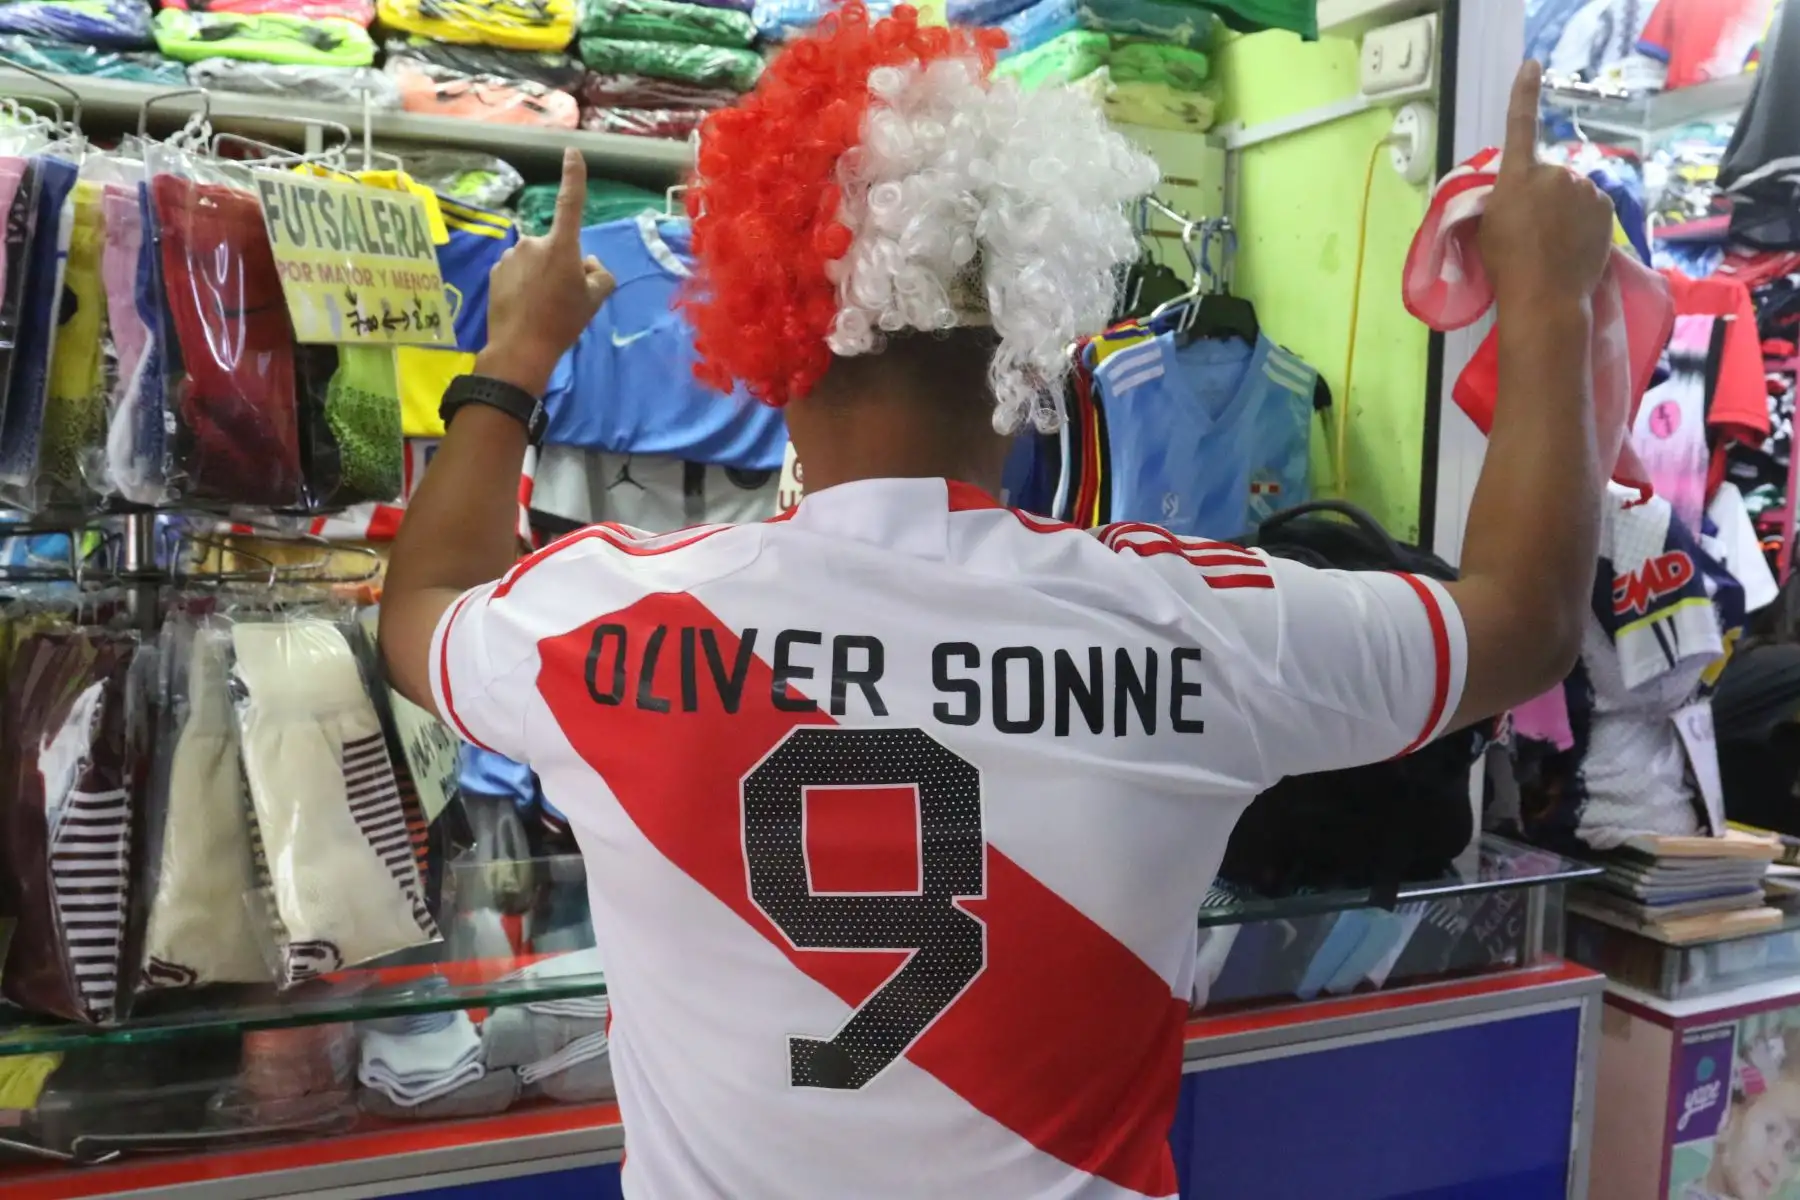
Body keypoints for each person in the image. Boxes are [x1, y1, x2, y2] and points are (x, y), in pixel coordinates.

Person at [378, 3, 1617, 1193]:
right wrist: (1549, 298)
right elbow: (1523, 619)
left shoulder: (597, 626)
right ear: (1031, 321)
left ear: (770, 325)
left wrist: (518, 355)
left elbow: (424, 603)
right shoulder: (1186, 621)